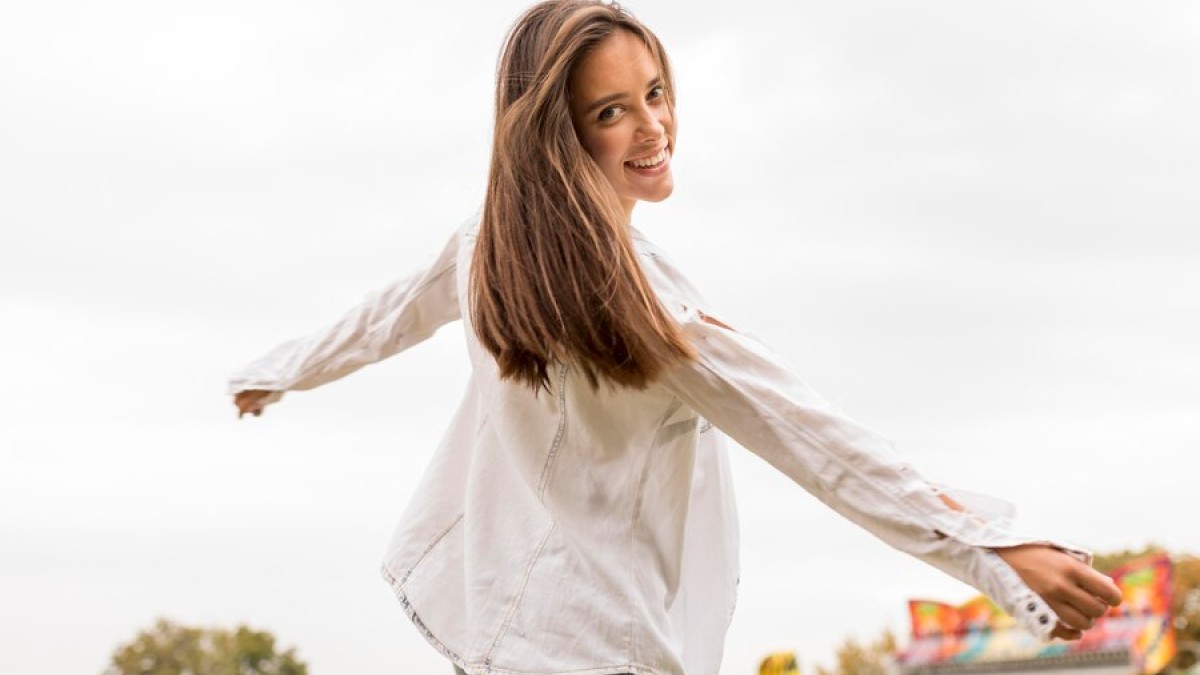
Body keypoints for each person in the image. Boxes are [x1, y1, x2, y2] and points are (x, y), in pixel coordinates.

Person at [228, 2, 1123, 674]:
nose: (653, 125)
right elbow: (816, 441)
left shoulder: (490, 246)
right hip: (602, 643)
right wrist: (993, 552)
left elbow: (386, 316)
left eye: (654, 93)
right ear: (556, 135)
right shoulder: (645, 308)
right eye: (611, 112)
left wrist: (278, 371)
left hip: (508, 627)